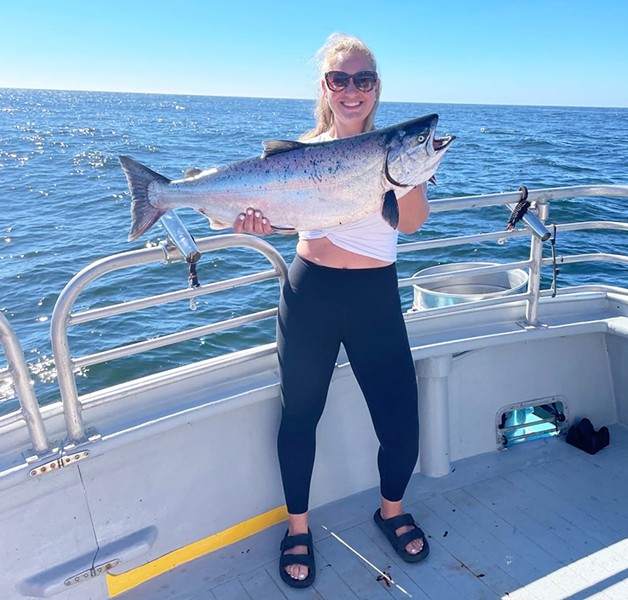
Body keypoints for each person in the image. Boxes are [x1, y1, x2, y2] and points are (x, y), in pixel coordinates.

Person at [233, 32, 430, 588]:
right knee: (300, 416)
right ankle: (298, 527)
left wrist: (411, 173)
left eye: (362, 79)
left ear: (376, 89)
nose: (351, 90)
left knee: (401, 419)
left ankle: (390, 510)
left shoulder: (399, 151)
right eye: (340, 79)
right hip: (310, 294)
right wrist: (251, 221)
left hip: (374, 298)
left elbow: (411, 223)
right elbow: (267, 214)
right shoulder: (298, 152)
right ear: (326, 85)